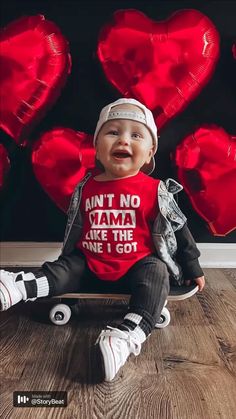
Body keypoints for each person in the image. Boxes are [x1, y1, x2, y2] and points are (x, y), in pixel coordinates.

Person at [0, 98, 205, 381]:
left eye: (135, 135)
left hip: (137, 267)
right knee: (64, 268)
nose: (123, 140)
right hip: (89, 264)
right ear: (97, 148)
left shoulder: (156, 190)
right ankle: (19, 287)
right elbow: (77, 229)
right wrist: (69, 258)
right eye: (112, 132)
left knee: (157, 272)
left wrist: (192, 266)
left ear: (149, 153)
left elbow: (179, 230)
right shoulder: (86, 187)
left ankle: (123, 337)